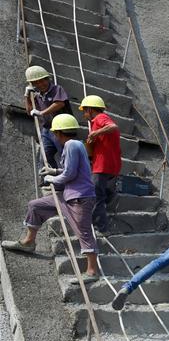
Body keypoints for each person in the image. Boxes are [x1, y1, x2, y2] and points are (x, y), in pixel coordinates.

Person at [1, 114, 100, 283]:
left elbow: (70, 173)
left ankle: (92, 271)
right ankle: (29, 242)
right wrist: (53, 172)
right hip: (68, 195)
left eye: (55, 133)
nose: (54, 136)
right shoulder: (76, 144)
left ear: (59, 133)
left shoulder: (70, 145)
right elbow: (69, 169)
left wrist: (50, 179)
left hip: (80, 197)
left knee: (83, 232)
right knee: (36, 206)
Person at [80, 95, 121, 234]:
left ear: (90, 109)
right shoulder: (96, 122)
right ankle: (104, 217)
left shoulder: (99, 118)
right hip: (112, 165)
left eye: (84, 111)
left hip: (102, 166)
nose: (84, 115)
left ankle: (101, 228)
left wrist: (95, 132)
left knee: (95, 196)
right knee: (103, 194)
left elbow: (113, 126)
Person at [23, 65, 72, 170]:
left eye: (42, 81)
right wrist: (27, 96)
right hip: (47, 129)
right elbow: (29, 111)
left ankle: (66, 179)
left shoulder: (56, 89)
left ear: (47, 79)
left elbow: (60, 103)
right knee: (45, 156)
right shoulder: (37, 95)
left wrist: (41, 112)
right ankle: (49, 179)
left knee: (65, 155)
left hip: (61, 129)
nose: (40, 84)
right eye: (36, 82)